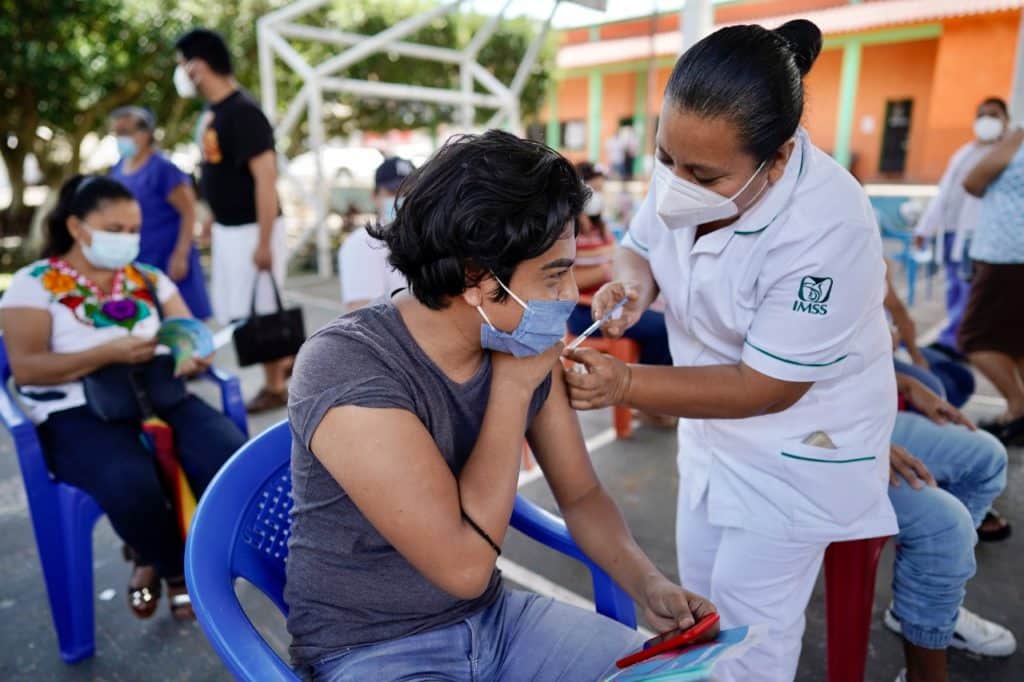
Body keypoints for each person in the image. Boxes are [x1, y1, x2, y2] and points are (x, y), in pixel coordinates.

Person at [285, 131, 717, 681]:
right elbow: (464, 567)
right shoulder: (349, 365)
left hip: (493, 621)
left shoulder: (515, 338)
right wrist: (511, 392)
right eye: (556, 275)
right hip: (371, 647)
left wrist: (648, 583)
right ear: (476, 280)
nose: (568, 298)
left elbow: (581, 495)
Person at [563, 21, 897, 680]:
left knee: (750, 644)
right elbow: (641, 244)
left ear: (777, 158)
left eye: (702, 174)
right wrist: (629, 286)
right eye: (666, 160)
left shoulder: (829, 227)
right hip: (714, 440)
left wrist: (624, 386)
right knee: (702, 609)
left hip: (799, 455)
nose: (677, 182)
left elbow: (765, 388)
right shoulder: (694, 157)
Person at [0, 175, 246, 620]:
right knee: (129, 483)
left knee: (227, 456)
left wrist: (195, 357)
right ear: (77, 228)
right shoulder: (32, 283)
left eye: (133, 230)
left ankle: (174, 555)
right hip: (76, 411)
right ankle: (173, 569)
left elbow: (192, 337)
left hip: (159, 395)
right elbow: (27, 367)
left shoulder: (148, 279)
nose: (127, 240)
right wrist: (105, 353)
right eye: (114, 231)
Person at [173, 28, 290, 414]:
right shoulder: (214, 113)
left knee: (262, 308)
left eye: (182, 64)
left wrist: (263, 240)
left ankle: (276, 384)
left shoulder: (243, 112)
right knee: (243, 307)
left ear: (199, 65)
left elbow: (266, 179)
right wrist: (211, 217)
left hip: (254, 229)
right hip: (230, 228)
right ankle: (281, 367)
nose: (181, 74)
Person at [886, 370, 1014, 682]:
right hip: (805, 439)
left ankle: (929, 606)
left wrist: (906, 383)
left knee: (986, 455)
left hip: (856, 414)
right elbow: (753, 393)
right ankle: (924, 671)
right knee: (944, 527)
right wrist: (857, 444)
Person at [914, 98, 1010, 360]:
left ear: (1006, 121)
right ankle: (952, 338)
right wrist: (925, 229)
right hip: (951, 232)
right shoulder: (964, 152)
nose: (986, 120)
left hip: (976, 235)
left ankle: (960, 342)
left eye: (993, 115)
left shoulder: (1005, 156)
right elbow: (944, 193)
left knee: (969, 288)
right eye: (982, 114)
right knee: (953, 286)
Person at [109, 106, 212, 320]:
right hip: (137, 259)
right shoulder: (118, 168)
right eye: (116, 133)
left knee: (182, 323)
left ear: (145, 133)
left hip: (169, 258)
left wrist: (181, 254)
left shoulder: (163, 169)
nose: (120, 138)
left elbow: (189, 211)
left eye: (125, 132)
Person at [962, 105, 1024, 444]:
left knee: (975, 339)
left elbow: (972, 181)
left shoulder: (1017, 140)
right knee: (1016, 344)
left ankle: (1017, 407)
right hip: (1012, 256)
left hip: (1006, 256)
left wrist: (1016, 134)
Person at [884, 260, 975, 408]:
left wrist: (915, 355)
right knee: (939, 389)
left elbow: (902, 318)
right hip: (876, 356)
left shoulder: (873, 259)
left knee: (963, 379)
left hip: (894, 347)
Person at [336, 156, 411, 311]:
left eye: (410, 191)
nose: (401, 198)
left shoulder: (430, 238)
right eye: (392, 191)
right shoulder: (363, 243)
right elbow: (364, 314)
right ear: (374, 197)